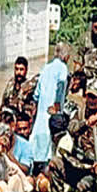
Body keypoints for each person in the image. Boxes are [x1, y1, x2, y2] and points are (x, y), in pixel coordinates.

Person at [31, 42, 71, 179]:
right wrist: (57, 106)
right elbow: (61, 88)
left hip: (39, 117)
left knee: (36, 150)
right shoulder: (63, 69)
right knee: (49, 151)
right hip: (52, 116)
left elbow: (36, 94)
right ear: (66, 57)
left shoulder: (45, 68)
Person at [1, 56, 39, 124]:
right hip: (8, 119)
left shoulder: (30, 86)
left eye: (21, 69)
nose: (18, 72)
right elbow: (4, 102)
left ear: (26, 70)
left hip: (22, 121)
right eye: (16, 69)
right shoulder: (11, 84)